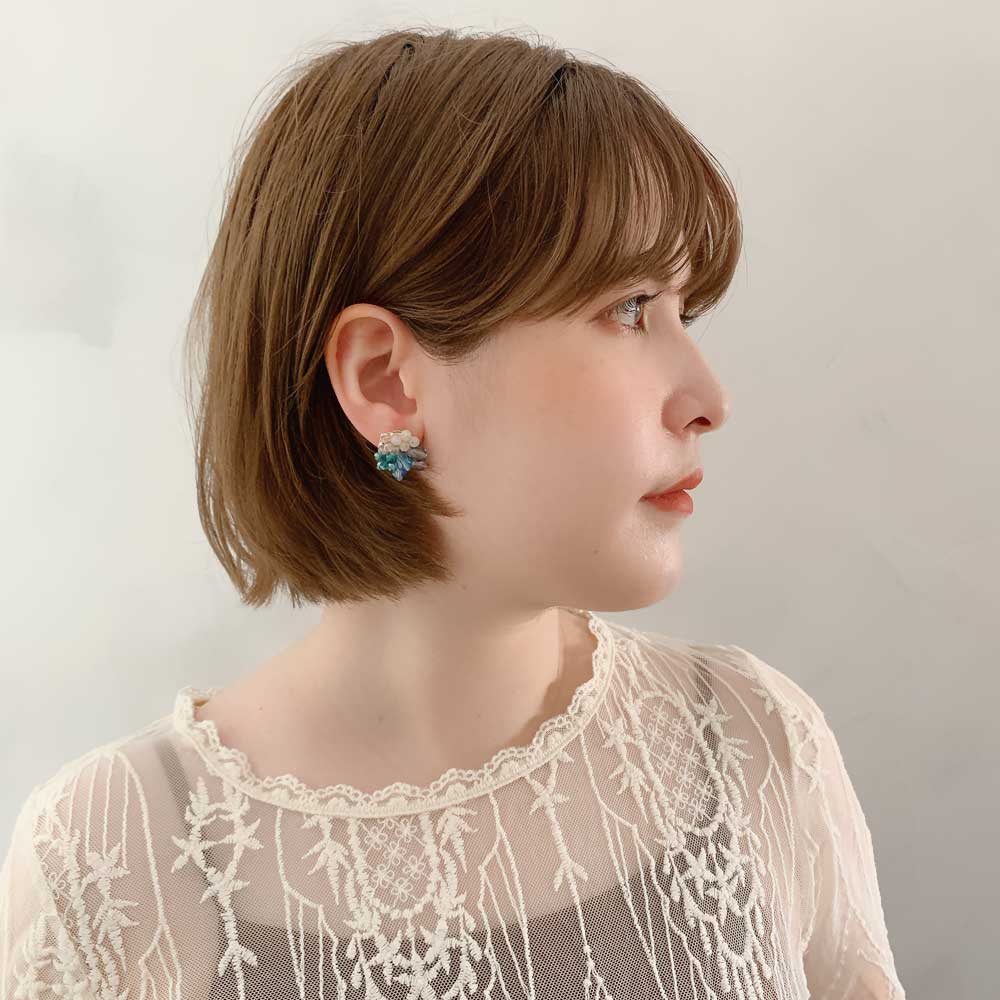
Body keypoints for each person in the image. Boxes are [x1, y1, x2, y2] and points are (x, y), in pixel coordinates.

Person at [0, 25, 907, 999]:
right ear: (385, 380)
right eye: (630, 308)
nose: (709, 398)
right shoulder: (108, 861)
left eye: (687, 313)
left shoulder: (749, 743)